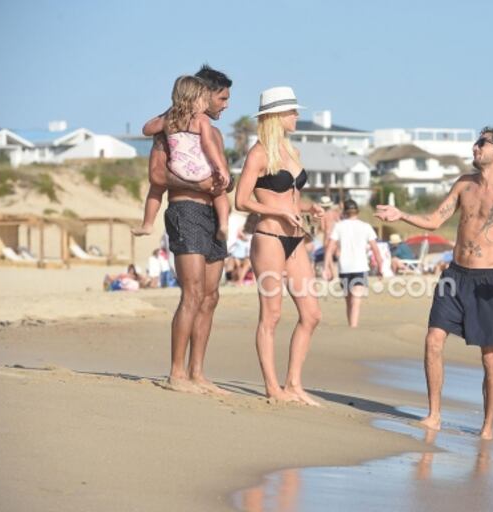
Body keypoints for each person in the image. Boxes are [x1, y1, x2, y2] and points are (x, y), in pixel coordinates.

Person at [375, 127, 493, 440]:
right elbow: (435, 220)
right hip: (455, 276)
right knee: (433, 340)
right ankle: (434, 415)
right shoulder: (464, 184)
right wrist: (400, 214)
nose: (476, 147)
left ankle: (488, 428)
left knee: (490, 356)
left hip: (489, 281)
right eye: (477, 142)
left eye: (482, 143)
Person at [144, 64, 233, 395]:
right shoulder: (167, 130)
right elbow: (158, 176)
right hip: (186, 209)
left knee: (210, 297)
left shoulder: (213, 133)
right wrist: (200, 184)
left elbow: (226, 177)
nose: (225, 105)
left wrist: (223, 182)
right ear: (202, 96)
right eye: (221, 98)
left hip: (212, 215)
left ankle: (198, 372)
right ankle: (176, 373)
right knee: (192, 293)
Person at [235, 86, 324, 405]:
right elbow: (241, 201)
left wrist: (309, 209)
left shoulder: (293, 152)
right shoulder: (258, 154)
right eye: (291, 112)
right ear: (274, 117)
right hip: (269, 239)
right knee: (271, 315)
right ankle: (273, 388)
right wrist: (281, 210)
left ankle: (294, 384)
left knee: (312, 313)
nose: (297, 116)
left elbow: (291, 200)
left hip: (296, 240)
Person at [133, 75, 231, 241]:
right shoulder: (202, 119)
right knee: (220, 193)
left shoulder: (169, 119)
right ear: (194, 98)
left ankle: (147, 224)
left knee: (155, 190)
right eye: (203, 99)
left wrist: (169, 111)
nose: (206, 103)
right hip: (201, 171)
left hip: (177, 169)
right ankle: (223, 224)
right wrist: (221, 168)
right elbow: (208, 144)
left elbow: (146, 129)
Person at [323, 199, 383, 327]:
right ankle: (353, 329)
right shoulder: (366, 226)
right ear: (358, 212)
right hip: (359, 267)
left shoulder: (339, 226)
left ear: (344, 212)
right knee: (356, 301)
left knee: (349, 301)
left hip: (344, 268)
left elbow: (329, 249)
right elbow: (376, 249)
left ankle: (351, 326)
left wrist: (326, 267)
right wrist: (380, 268)